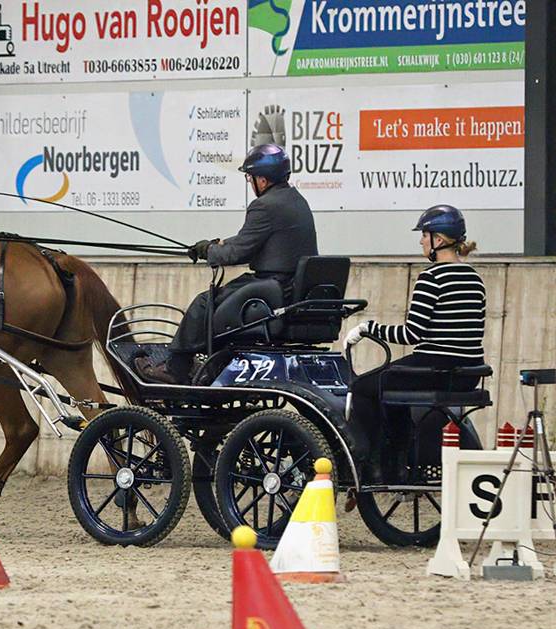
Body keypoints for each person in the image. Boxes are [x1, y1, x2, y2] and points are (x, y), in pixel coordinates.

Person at [135, 143, 317, 384]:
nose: (251, 183)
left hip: (271, 290)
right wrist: (216, 246)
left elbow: (238, 253)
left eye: (250, 178)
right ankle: (214, 364)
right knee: (222, 302)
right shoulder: (296, 201)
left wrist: (209, 251)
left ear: (262, 180)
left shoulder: (264, 206)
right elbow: (251, 240)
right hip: (290, 289)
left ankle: (176, 368)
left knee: (205, 303)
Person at [346, 204, 484, 480]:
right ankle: (397, 460)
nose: (421, 241)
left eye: (424, 235)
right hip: (469, 373)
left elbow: (411, 334)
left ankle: (376, 465)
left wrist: (368, 328)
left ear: (439, 240)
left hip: (435, 367)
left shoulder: (431, 278)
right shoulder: (474, 278)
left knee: (363, 387)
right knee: (391, 383)